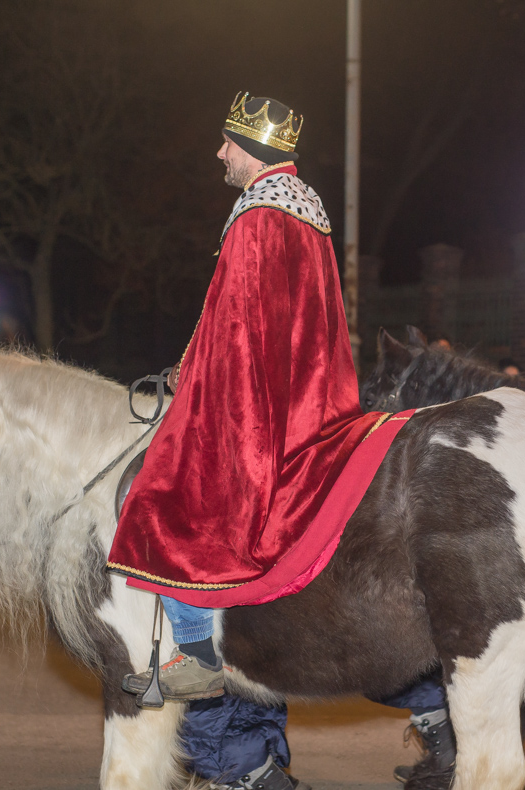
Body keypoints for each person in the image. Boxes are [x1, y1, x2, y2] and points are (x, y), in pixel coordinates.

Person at [109, 93, 393, 789]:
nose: (219, 154)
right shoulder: (307, 213)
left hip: (257, 412)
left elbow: (237, 333)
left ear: (251, 149)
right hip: (310, 404)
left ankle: (199, 652)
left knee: (163, 504)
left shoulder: (257, 215)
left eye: (227, 144)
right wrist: (190, 359)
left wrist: (193, 401)